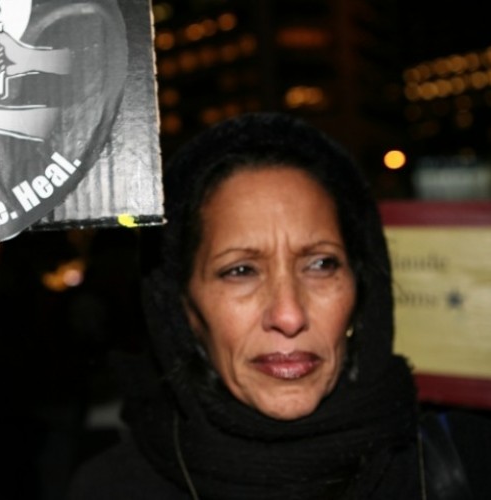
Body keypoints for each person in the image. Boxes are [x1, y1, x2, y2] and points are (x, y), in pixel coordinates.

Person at [67, 112, 491, 499]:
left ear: (361, 287)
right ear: (184, 308)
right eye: (240, 271)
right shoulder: (109, 488)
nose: (289, 315)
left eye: (321, 264)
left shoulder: (467, 460)